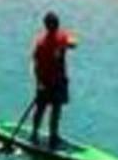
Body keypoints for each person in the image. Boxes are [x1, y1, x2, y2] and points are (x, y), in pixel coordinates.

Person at [20, 9, 77, 146]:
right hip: (48, 82)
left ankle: (47, 136)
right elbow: (37, 63)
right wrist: (40, 83)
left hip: (53, 81)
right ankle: (42, 135)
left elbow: (35, 64)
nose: (55, 26)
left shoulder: (52, 40)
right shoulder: (46, 42)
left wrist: (39, 83)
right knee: (46, 109)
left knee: (50, 109)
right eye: (54, 24)